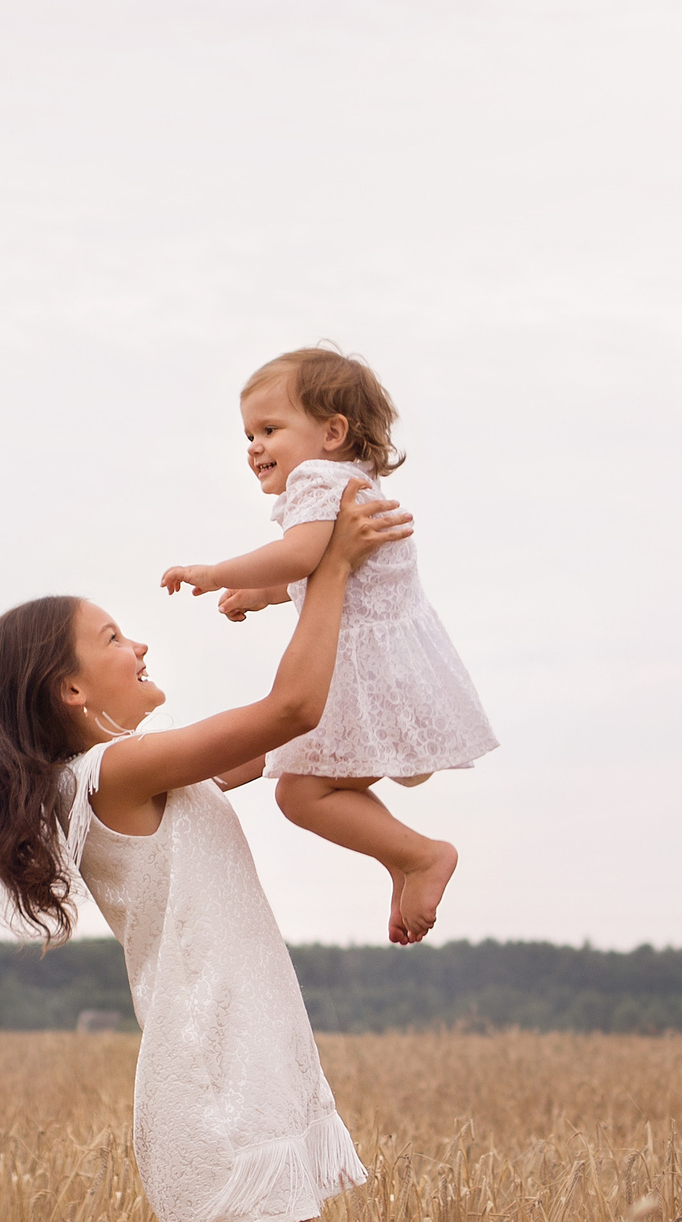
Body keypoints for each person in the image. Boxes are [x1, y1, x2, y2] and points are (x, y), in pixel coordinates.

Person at [0, 481, 414, 1222]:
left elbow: (296, 729)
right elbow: (287, 710)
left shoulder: (146, 772)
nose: (142, 644)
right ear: (73, 692)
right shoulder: (111, 772)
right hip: (215, 1086)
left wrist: (320, 587)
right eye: (116, 637)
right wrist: (325, 561)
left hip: (253, 1066)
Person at [161, 346, 498, 945]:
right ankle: (403, 860)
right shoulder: (349, 485)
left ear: (332, 432)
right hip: (387, 677)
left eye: (269, 429)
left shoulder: (320, 481)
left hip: (367, 681)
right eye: (248, 434)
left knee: (297, 789)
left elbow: (301, 555)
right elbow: (311, 572)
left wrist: (220, 573)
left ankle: (418, 855)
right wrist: (261, 595)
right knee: (288, 770)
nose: (254, 446)